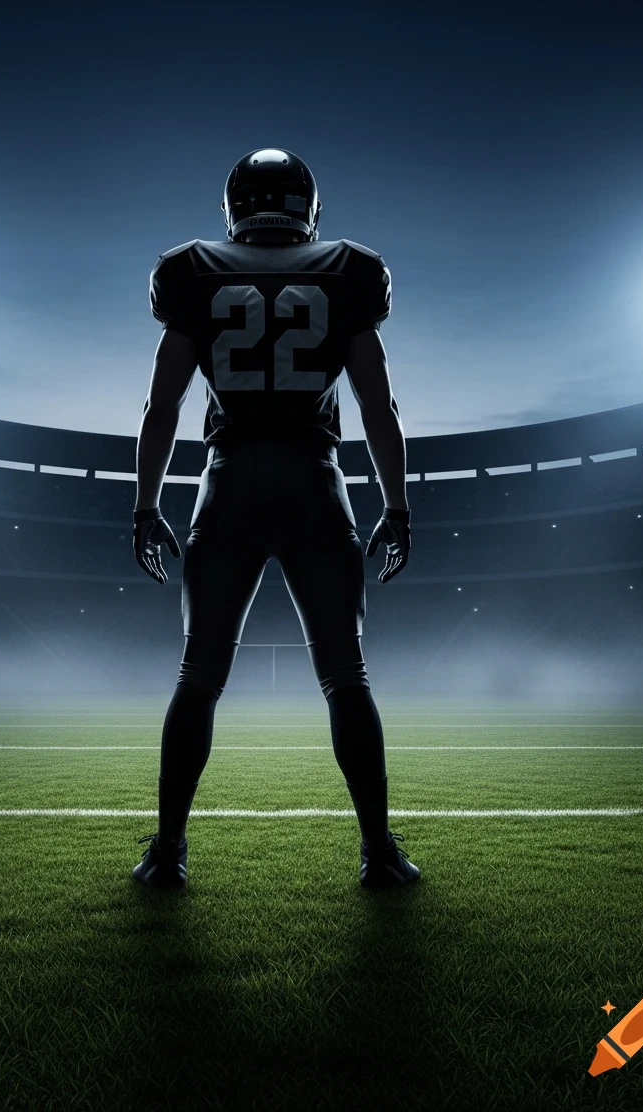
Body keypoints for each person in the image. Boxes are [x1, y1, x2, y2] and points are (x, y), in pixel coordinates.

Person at [131, 147, 418, 889]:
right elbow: (377, 406)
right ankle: (378, 853)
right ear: (306, 205)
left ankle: (168, 852)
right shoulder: (347, 269)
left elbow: (162, 406)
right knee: (346, 677)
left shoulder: (193, 269)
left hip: (228, 482)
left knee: (198, 676)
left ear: (235, 205)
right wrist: (396, 505)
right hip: (314, 481)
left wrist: (145, 504)